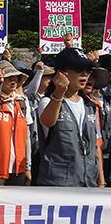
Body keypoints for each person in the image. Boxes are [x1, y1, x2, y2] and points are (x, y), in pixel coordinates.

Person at [37, 47, 105, 187]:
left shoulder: (90, 106)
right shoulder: (47, 102)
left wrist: (101, 181)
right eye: (80, 69)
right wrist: (59, 93)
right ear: (62, 73)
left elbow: (96, 146)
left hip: (87, 184)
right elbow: (47, 122)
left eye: (88, 70)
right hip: (58, 185)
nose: (85, 74)